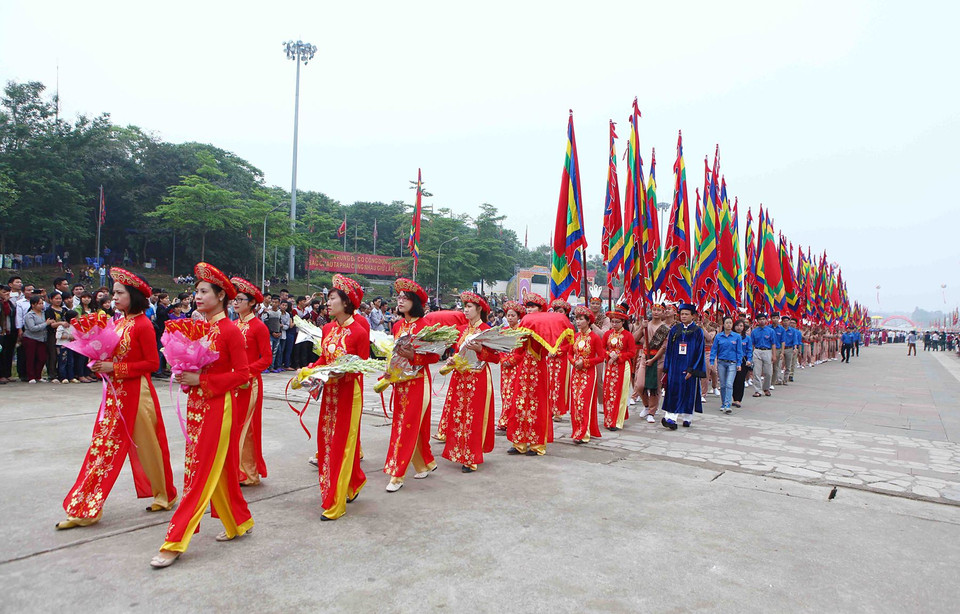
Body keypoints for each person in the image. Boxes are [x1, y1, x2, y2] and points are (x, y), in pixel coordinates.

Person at [57, 268, 178, 530]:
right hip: (114, 394)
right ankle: (85, 506)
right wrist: (99, 363)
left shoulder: (144, 324)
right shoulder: (117, 321)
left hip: (138, 394)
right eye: (114, 293)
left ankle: (165, 494)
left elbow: (152, 363)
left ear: (133, 295)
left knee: (149, 447)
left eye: (119, 293)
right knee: (102, 447)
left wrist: (116, 368)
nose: (114, 297)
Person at [152, 263, 253, 568]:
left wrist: (204, 382)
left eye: (204, 291)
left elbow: (244, 375)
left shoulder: (231, 330)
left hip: (218, 409)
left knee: (198, 474)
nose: (197, 296)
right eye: (196, 291)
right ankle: (239, 521)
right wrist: (186, 376)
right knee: (216, 470)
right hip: (196, 406)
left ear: (221, 295)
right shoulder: (200, 328)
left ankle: (175, 540)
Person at [305, 274, 369, 518]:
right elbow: (324, 358)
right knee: (327, 442)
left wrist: (339, 374)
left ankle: (336, 503)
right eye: (328, 299)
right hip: (329, 396)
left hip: (348, 396)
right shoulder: (328, 329)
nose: (327, 303)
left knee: (342, 443)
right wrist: (312, 369)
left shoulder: (359, 332)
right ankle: (353, 482)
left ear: (346, 302)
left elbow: (361, 368)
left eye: (332, 299)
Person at [381, 278, 439, 493]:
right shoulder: (397, 325)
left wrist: (414, 356)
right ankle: (424, 463)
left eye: (406, 298)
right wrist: (390, 370)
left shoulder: (426, 326)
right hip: (400, 382)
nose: (400, 301)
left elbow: (433, 356)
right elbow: (393, 354)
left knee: (406, 425)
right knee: (411, 425)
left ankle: (397, 474)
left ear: (415, 302)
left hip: (418, 382)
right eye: (399, 297)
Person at [440, 291, 500, 473]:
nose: (465, 310)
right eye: (464, 306)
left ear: (479, 309)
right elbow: (459, 353)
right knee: (459, 415)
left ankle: (471, 457)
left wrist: (482, 349)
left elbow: (496, 357)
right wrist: (452, 360)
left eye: (469, 307)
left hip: (477, 376)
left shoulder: (486, 330)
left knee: (474, 416)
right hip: (460, 377)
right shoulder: (462, 330)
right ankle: (460, 451)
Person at [506, 293, 567, 456]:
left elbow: (552, 347)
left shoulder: (545, 327)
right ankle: (519, 442)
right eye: (528, 306)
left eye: (533, 306)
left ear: (541, 309)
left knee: (537, 405)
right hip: (523, 370)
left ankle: (536, 444)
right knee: (519, 403)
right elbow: (518, 350)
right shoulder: (523, 325)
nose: (530, 309)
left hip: (538, 370)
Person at [230, 277, 272, 487]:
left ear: (252, 302)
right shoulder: (233, 325)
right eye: (234, 299)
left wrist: (247, 372)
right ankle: (234, 470)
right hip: (232, 383)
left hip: (250, 383)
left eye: (240, 299)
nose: (235, 303)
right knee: (232, 426)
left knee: (247, 429)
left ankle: (249, 473)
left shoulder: (259, 327)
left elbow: (266, 358)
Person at [660, 303, 707, 429]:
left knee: (688, 391)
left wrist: (692, 369)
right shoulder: (675, 329)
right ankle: (670, 418)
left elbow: (699, 352)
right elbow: (669, 348)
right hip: (675, 367)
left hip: (689, 366)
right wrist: (667, 367)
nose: (684, 316)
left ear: (693, 316)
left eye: (687, 314)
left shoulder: (698, 332)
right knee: (673, 391)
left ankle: (687, 417)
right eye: (682, 314)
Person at [567, 305, 604, 443]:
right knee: (576, 402)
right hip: (576, 373)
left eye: (581, 319)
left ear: (588, 321)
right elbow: (570, 353)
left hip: (588, 373)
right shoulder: (575, 336)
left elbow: (601, 357)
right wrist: (574, 361)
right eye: (576, 319)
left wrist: (586, 362)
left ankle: (583, 433)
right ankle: (577, 430)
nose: (577, 322)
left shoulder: (594, 338)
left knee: (584, 401)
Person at [633, 303, 670, 423]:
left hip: (658, 359)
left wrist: (653, 359)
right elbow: (634, 339)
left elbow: (664, 347)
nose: (656, 312)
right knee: (640, 385)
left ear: (663, 312)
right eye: (654, 309)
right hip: (644, 356)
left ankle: (652, 412)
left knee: (655, 387)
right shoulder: (646, 325)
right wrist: (640, 327)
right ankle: (646, 405)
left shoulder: (665, 328)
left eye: (659, 310)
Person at [602, 306, 636, 431]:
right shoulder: (607, 334)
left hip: (623, 367)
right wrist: (608, 354)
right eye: (612, 321)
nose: (614, 324)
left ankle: (617, 421)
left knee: (621, 393)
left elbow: (632, 352)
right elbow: (602, 349)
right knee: (608, 392)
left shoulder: (628, 335)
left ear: (623, 322)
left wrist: (619, 355)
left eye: (617, 322)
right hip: (610, 366)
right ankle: (609, 418)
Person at [497, 300, 524, 431]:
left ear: (518, 317)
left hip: (516, 367)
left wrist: (512, 361)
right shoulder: (503, 331)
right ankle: (504, 418)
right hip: (505, 368)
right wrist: (503, 360)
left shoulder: (521, 332)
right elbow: (500, 349)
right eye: (508, 315)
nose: (510, 318)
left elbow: (522, 352)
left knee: (513, 393)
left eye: (513, 315)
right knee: (504, 392)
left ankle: (510, 419)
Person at [709, 315, 743, 414]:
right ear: (723, 324)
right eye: (727, 323)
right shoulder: (719, 336)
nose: (728, 325)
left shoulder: (737, 337)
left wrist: (739, 363)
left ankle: (728, 404)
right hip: (721, 362)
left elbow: (739, 351)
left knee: (729, 383)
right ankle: (723, 402)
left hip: (732, 363)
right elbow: (714, 350)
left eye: (730, 323)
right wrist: (711, 362)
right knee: (723, 384)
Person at [546, 299, 572, 422]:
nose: (558, 313)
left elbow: (571, 345)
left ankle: (558, 411)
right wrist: (549, 350)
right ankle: (549, 408)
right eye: (556, 311)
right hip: (550, 359)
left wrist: (558, 351)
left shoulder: (569, 326)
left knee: (560, 384)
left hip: (562, 359)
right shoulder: (550, 325)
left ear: (565, 313)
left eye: (561, 311)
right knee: (549, 383)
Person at [22, 295, 50, 383]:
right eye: (39, 304)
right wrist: (46, 324)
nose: (42, 305)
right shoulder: (29, 315)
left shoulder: (43, 313)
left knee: (42, 358)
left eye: (42, 303)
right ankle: (31, 376)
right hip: (31, 338)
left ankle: (38, 375)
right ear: (33, 305)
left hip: (42, 339)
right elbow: (32, 328)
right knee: (31, 358)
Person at [750, 313, 778, 397]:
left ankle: (766, 388)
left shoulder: (771, 331)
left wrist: (774, 355)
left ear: (766, 320)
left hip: (767, 351)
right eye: (760, 319)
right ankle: (758, 390)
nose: (762, 321)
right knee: (757, 372)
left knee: (768, 372)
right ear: (757, 321)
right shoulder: (754, 331)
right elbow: (752, 344)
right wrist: (751, 354)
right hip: (757, 351)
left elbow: (773, 344)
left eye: (763, 319)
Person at [731, 319, 753, 408]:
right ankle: (731, 397)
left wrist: (749, 359)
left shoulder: (747, 338)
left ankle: (738, 399)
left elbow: (749, 350)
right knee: (732, 380)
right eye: (737, 325)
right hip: (732, 359)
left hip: (743, 361)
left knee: (740, 380)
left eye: (741, 326)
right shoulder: (730, 336)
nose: (739, 328)